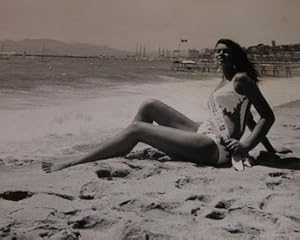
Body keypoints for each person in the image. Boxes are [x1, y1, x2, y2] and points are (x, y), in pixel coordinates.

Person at [42, 39, 285, 173]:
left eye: (225, 52)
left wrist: (245, 145)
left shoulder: (241, 78)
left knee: (138, 128)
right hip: (204, 133)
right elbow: (247, 117)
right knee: (150, 105)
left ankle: (75, 162)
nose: (219, 55)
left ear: (235, 56)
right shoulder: (225, 81)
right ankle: (121, 145)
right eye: (216, 52)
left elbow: (266, 116)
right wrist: (270, 150)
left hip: (217, 148)